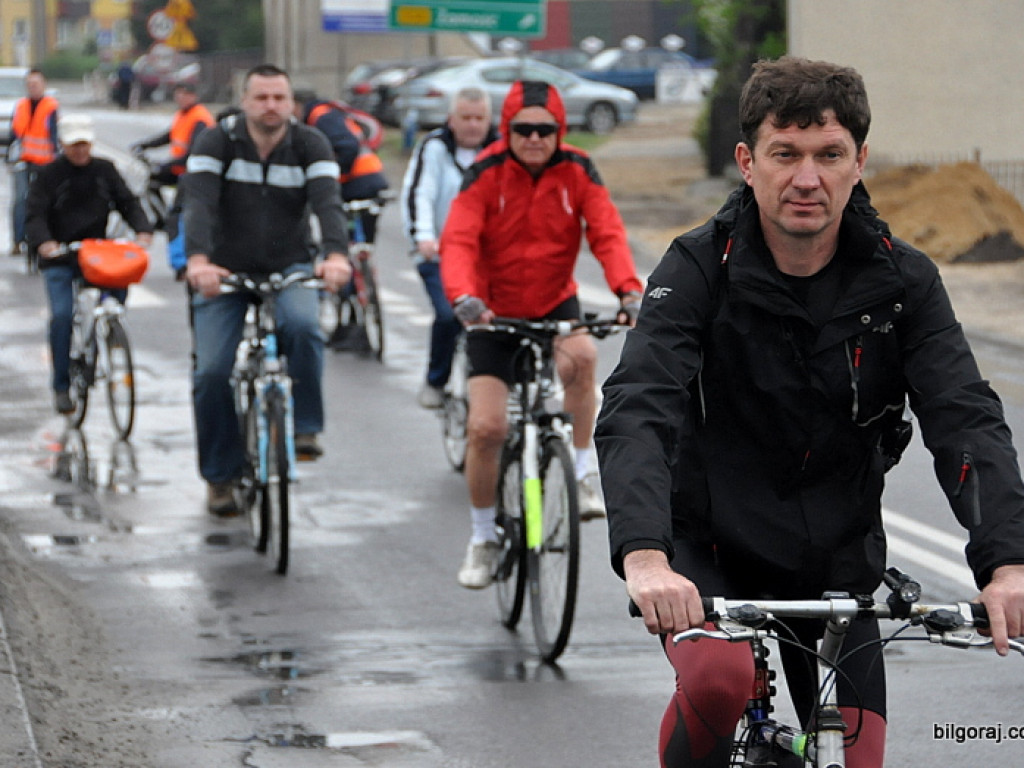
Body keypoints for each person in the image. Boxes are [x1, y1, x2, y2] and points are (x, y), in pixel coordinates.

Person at [594, 56, 1024, 768]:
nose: (806, 178)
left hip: (836, 561)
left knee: (859, 756)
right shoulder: (698, 267)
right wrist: (645, 558)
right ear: (747, 161)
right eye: (784, 154)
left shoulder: (903, 281)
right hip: (711, 549)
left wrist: (1007, 562)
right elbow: (639, 405)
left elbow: (965, 417)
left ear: (859, 161)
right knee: (718, 680)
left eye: (829, 156)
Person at [441, 80, 643, 589]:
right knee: (487, 428)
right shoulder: (483, 172)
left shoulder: (578, 170)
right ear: (506, 131)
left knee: (580, 359)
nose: (534, 138)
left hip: (554, 300)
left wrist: (627, 291)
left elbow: (607, 232)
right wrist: (464, 296)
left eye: (545, 130)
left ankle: (581, 471)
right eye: (523, 129)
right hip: (491, 312)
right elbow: (459, 239)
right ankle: (484, 537)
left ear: (561, 130)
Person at [182, 64, 351, 516]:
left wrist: (335, 254)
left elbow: (327, 203)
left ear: (291, 102)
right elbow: (197, 203)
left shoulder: (309, 143)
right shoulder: (216, 140)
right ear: (245, 101)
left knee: (303, 327)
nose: (271, 106)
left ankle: (305, 428)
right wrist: (199, 261)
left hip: (288, 265)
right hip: (224, 269)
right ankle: (220, 477)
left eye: (280, 98)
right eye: (262, 98)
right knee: (212, 372)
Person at [26, 114, 153, 414]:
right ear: (62, 145)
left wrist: (143, 229)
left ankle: (106, 334)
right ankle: (61, 385)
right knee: (61, 317)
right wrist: (44, 242)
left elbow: (128, 202)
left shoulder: (104, 170)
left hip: (96, 255)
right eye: (74, 146)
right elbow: (34, 213)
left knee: (118, 289)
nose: (80, 151)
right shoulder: (49, 175)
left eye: (84, 144)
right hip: (61, 257)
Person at [400, 86, 499, 409]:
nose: (473, 125)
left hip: (487, 256)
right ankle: (436, 380)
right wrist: (423, 236)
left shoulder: (500, 149)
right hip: (439, 252)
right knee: (448, 314)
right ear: (450, 119)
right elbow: (420, 193)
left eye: (479, 118)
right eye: (465, 118)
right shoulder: (434, 148)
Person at [292, 88, 389, 352]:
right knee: (362, 249)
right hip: (373, 180)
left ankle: (352, 319)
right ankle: (362, 299)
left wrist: (328, 179)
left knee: (340, 249)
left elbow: (346, 147)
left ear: (298, 105)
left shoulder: (320, 115)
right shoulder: (331, 111)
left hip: (356, 184)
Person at [10, 68, 59, 258]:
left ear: (43, 85)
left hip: (45, 162)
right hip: (23, 161)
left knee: (46, 201)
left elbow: (54, 136)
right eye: (30, 84)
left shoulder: (51, 107)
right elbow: (14, 134)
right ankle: (18, 239)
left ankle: (47, 236)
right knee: (21, 200)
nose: (33, 87)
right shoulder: (21, 106)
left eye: (36, 84)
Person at [131, 82, 215, 187]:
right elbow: (169, 136)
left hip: (192, 170)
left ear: (194, 96)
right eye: (178, 94)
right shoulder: (182, 114)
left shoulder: (200, 118)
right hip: (180, 167)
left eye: (184, 95)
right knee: (154, 179)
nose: (180, 98)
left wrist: (166, 165)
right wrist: (144, 145)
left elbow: (194, 151)